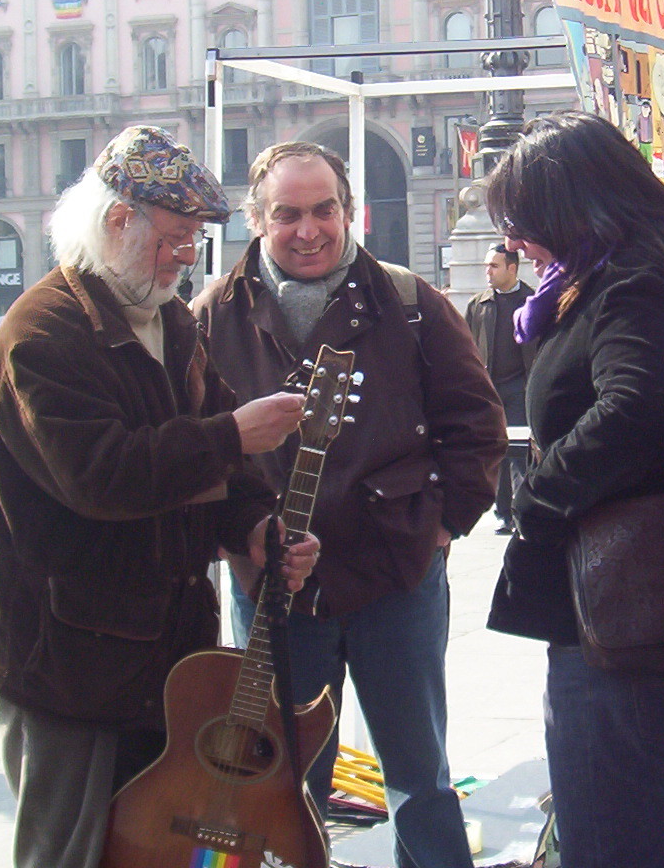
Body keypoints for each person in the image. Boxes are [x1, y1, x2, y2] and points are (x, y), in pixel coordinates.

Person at [0, 126, 315, 868]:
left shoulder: (169, 321)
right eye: (177, 239)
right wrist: (229, 436)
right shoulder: (42, 330)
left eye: (193, 242)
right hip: (64, 656)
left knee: (148, 846)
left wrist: (254, 528)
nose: (187, 257)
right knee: (70, 848)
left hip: (158, 651)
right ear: (119, 222)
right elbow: (102, 476)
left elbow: (217, 464)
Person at [193, 139, 504, 868]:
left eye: (324, 210)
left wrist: (440, 530)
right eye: (288, 214)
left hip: (397, 576)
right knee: (287, 778)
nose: (310, 230)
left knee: (418, 775)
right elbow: (199, 453)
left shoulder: (408, 300)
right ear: (256, 221)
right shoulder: (213, 318)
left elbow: (477, 426)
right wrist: (242, 540)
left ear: (349, 210)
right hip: (277, 588)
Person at [482, 112, 664, 868]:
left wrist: (536, 493)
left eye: (523, 222)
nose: (518, 242)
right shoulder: (627, 274)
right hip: (652, 604)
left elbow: (638, 410)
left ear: (571, 206)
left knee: (619, 837)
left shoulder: (631, 282)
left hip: (629, 615)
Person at [466, 242, 535, 534]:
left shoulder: (533, 301)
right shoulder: (479, 304)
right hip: (489, 388)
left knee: (519, 452)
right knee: (497, 450)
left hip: (520, 386)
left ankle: (522, 512)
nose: (488, 271)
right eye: (486, 265)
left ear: (512, 268)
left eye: (494, 266)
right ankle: (503, 511)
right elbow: (466, 345)